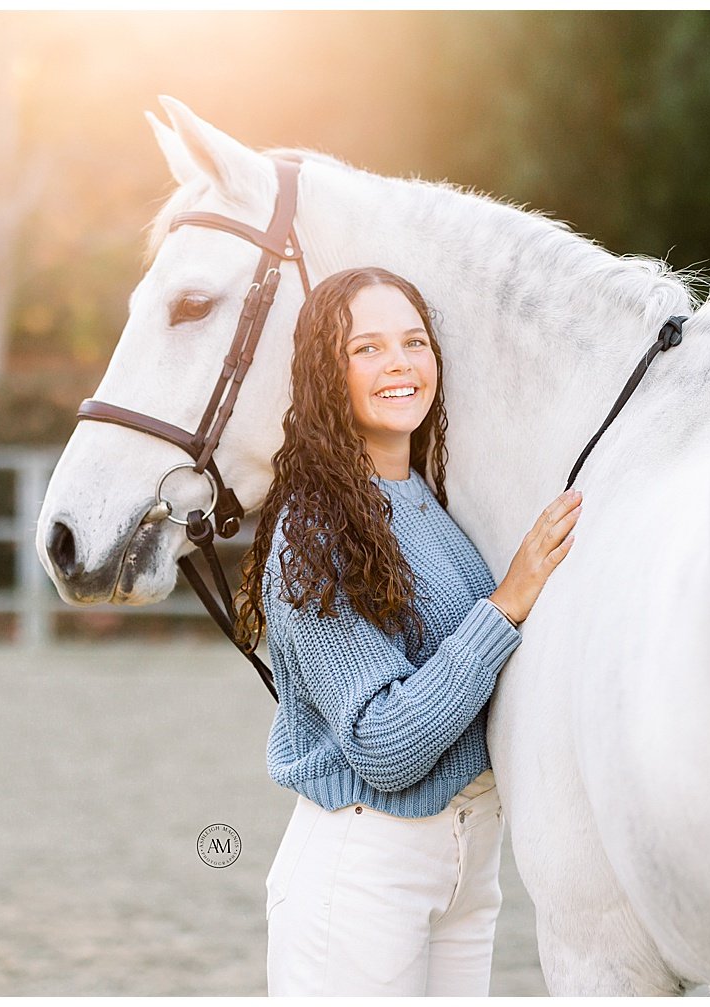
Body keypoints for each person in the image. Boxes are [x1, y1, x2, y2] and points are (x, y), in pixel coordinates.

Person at [233, 266, 581, 995]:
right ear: (328, 373)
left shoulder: (425, 500)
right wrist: (507, 603)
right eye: (368, 348)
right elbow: (385, 743)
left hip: (467, 865)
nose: (399, 364)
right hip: (364, 871)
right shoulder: (313, 529)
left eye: (413, 342)